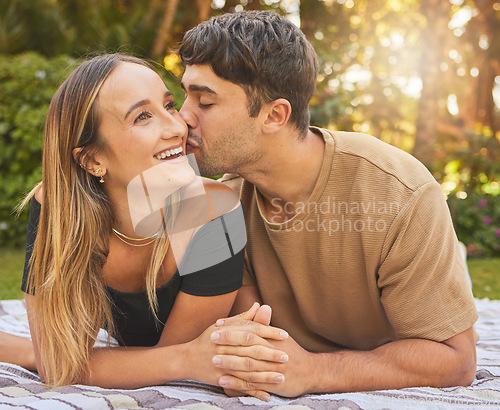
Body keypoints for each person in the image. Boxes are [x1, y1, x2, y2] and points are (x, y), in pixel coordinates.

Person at [177, 10, 479, 398]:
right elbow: (253, 339)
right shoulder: (225, 203)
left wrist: (315, 372)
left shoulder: (399, 193)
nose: (182, 118)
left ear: (274, 115)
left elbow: (456, 359)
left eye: (204, 102)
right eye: (185, 94)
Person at [0, 53, 289, 395]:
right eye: (142, 117)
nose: (177, 127)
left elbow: (168, 362)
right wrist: (185, 359)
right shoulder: (57, 208)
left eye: (169, 105)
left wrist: (75, 361)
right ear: (93, 159)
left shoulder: (215, 213)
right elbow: (60, 364)